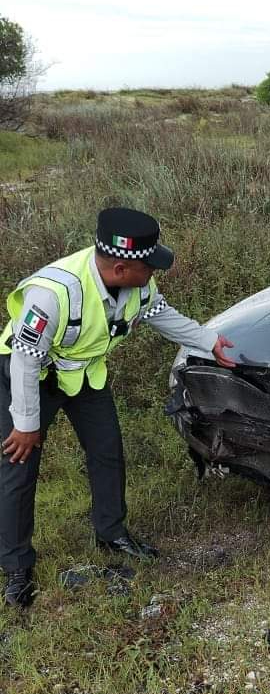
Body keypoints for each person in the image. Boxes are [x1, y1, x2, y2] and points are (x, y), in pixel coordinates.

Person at [0, 202, 235, 608]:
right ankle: (16, 566)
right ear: (121, 269)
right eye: (149, 265)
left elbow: (160, 314)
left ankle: (111, 533)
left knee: (108, 452)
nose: (154, 273)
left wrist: (207, 339)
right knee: (18, 470)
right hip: (28, 377)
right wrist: (25, 423)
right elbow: (24, 357)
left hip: (84, 375)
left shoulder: (138, 285)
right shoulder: (53, 293)